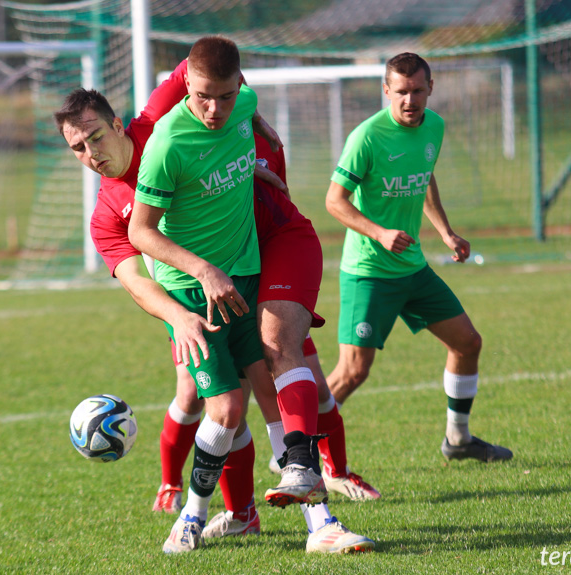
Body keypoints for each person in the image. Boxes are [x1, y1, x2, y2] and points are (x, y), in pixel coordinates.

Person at [54, 69, 375, 551]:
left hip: (247, 270)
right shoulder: (106, 216)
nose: (90, 154)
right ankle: (206, 513)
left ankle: (319, 522)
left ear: (117, 124)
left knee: (276, 380)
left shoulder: (159, 121)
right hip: (190, 301)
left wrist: (249, 121)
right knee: (224, 408)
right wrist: (178, 318)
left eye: (95, 137)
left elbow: (203, 65)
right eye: (77, 148)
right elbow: (137, 282)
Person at [324, 52, 513, 463]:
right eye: (401, 92)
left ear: (431, 89)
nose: (410, 101)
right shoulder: (367, 137)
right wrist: (380, 232)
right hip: (368, 272)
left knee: (467, 343)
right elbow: (334, 202)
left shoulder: (435, 127)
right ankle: (293, 448)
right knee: (353, 372)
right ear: (386, 91)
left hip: (412, 268)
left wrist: (445, 231)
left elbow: (424, 175)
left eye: (417, 91)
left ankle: (458, 440)